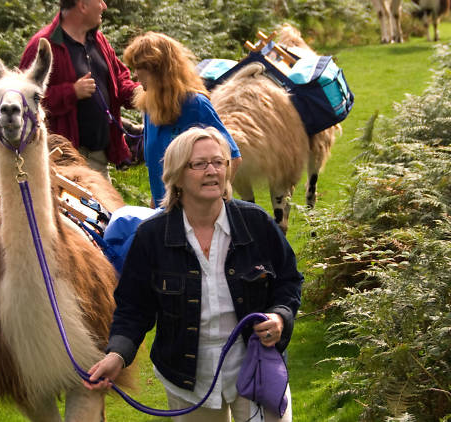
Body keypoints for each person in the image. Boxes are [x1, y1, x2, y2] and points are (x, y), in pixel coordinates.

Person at [84, 126, 303, 422]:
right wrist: (118, 355)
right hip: (186, 379)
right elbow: (134, 308)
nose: (212, 171)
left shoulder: (257, 224)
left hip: (256, 370)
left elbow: (289, 281)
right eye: (199, 164)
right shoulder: (151, 237)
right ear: (177, 175)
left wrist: (279, 317)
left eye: (219, 162)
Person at [19, 0, 140, 179]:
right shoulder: (43, 45)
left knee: (107, 208)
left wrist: (144, 94)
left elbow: (120, 80)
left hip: (99, 158)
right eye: (99, 1)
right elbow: (24, 99)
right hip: (63, 162)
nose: (104, 6)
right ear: (82, 5)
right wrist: (71, 92)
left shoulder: (98, 41)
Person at [122, 32, 242, 207]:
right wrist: (155, 210)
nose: (134, 75)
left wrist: (204, 200)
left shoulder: (196, 105)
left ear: (158, 70)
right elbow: (158, 173)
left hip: (197, 216)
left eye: (139, 68)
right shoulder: (150, 109)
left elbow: (233, 158)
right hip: (166, 216)